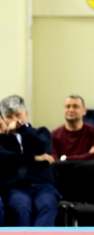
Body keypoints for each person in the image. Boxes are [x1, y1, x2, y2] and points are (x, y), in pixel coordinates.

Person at [0, 95, 60, 226]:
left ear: (26, 114)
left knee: (47, 205)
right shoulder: (2, 139)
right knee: (22, 207)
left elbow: (42, 148)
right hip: (15, 187)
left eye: (18, 115)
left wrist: (22, 128)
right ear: (3, 118)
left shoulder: (41, 132)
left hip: (43, 185)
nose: (15, 120)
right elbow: (4, 158)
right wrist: (34, 158)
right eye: (9, 117)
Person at [51, 95, 94, 161]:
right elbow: (55, 162)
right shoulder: (53, 135)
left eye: (75, 106)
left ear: (84, 111)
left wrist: (64, 158)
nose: (71, 110)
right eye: (67, 106)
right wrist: (88, 155)